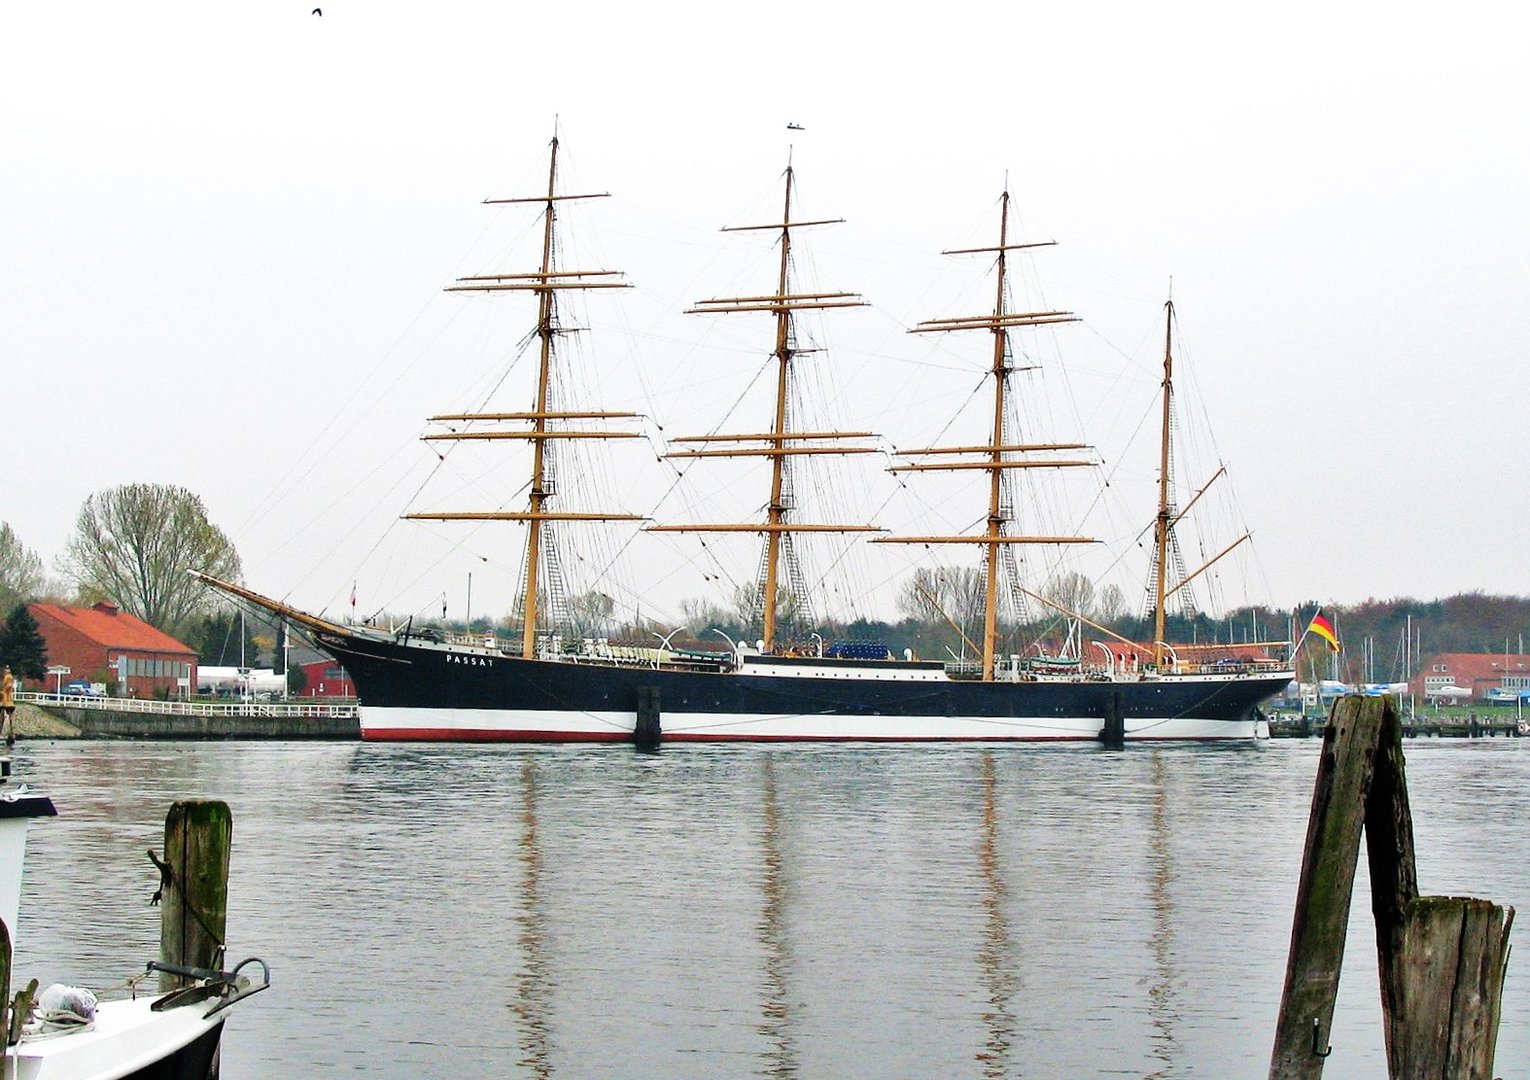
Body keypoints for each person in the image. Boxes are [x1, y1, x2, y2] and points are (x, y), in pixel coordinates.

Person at [1, 666, 14, 748]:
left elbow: (5, 686)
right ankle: (9, 733)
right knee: (8, 718)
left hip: (6, 703)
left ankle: (6, 733)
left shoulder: (7, 678)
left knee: (5, 717)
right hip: (8, 703)